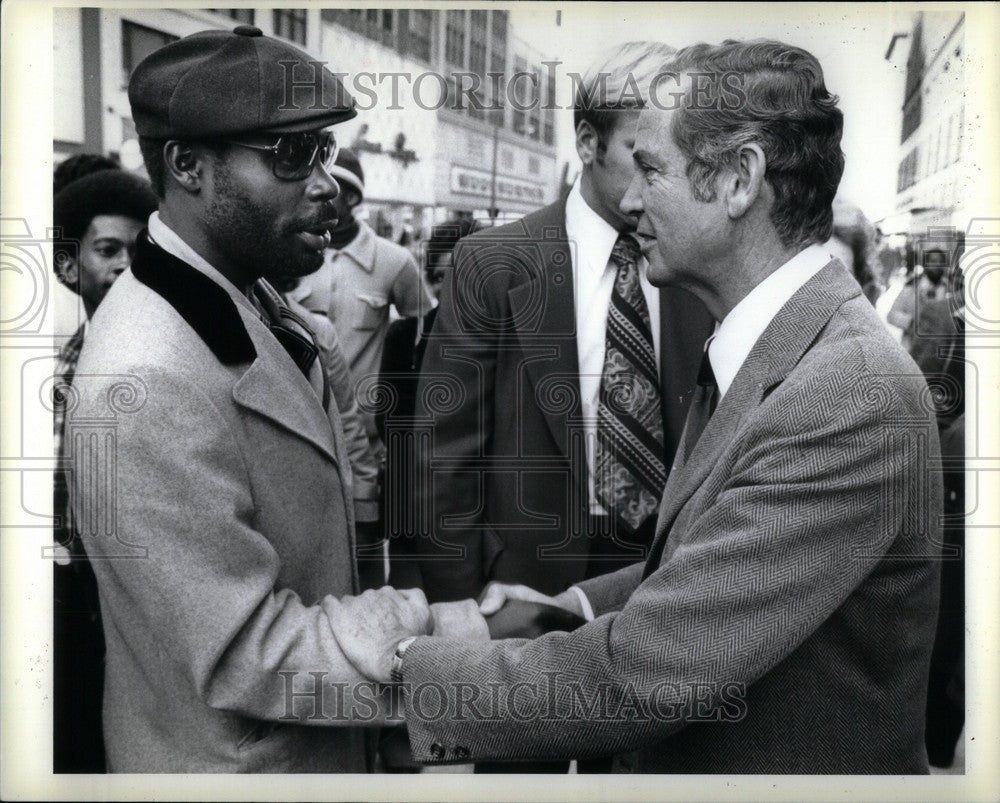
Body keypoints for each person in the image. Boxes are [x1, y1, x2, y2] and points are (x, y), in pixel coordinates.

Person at [332, 39, 943, 774]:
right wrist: (566, 606)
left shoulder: (841, 393)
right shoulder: (777, 345)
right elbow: (705, 555)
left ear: (740, 180)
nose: (628, 198)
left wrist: (407, 673)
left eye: (653, 169)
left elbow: (647, 674)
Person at [66, 25, 434, 773]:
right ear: (188, 166)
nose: (326, 184)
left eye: (323, 151)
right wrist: (447, 639)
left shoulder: (251, 295)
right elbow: (247, 651)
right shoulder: (143, 379)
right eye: (291, 155)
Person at [412, 42, 713, 609]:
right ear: (586, 143)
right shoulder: (492, 265)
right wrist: (462, 610)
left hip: (666, 584)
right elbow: (442, 458)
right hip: (522, 584)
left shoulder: (698, 266)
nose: (663, 176)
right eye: (640, 153)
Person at [51, 168, 158, 772]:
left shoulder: (166, 358)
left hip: (143, 609)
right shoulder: (63, 367)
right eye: (107, 250)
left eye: (138, 252)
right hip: (75, 605)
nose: (124, 266)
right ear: (71, 269)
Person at [292, 147, 430, 458]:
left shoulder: (395, 260)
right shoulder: (290, 257)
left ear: (352, 198)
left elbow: (427, 334)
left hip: (370, 440)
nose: (315, 191)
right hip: (304, 426)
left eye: (331, 186)